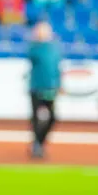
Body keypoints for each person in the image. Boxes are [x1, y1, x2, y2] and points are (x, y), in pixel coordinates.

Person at [27, 21, 61, 159]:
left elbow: (56, 69)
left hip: (50, 88)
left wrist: (59, 84)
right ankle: (37, 146)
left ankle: (39, 141)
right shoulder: (35, 48)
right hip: (36, 87)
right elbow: (31, 57)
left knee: (52, 118)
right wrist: (35, 40)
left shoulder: (54, 49)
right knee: (35, 117)